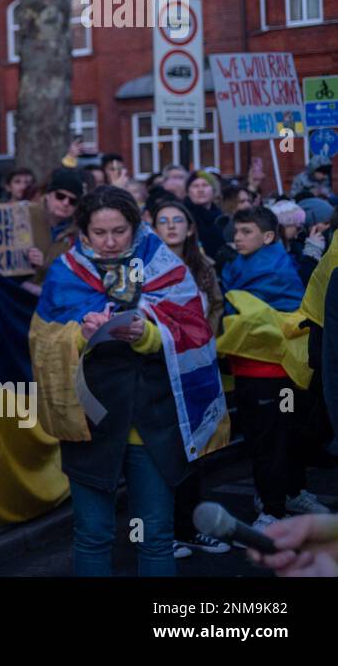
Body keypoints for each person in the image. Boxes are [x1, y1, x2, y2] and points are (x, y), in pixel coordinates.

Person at [29, 187, 226, 576]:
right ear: (82, 234)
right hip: (91, 423)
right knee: (91, 533)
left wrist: (148, 335)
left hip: (152, 421)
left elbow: (196, 332)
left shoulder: (166, 266)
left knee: (154, 535)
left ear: (136, 228)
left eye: (119, 231)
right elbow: (41, 340)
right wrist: (79, 337)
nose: (109, 242)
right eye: (98, 233)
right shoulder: (64, 273)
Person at [220, 206, 325, 529]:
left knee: (275, 439)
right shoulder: (242, 266)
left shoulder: (276, 270)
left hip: (276, 374)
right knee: (274, 437)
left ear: (268, 237)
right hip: (252, 371)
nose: (237, 238)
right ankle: (286, 493)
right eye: (236, 232)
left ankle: (274, 507)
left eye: (246, 232)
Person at [152, 199, 231, 558]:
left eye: (177, 220)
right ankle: (161, 531)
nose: (170, 227)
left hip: (197, 368)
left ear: (190, 227)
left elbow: (215, 306)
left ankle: (191, 527)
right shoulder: (144, 268)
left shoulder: (204, 267)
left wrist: (205, 341)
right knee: (161, 453)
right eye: (163, 221)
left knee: (194, 450)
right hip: (161, 371)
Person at [27, 167, 86, 287]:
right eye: (60, 196)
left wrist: (45, 267)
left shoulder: (81, 233)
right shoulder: (26, 215)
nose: (65, 203)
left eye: (72, 201)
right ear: (48, 195)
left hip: (55, 297)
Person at [184, 169, 227, 264]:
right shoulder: (184, 215)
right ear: (188, 191)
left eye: (205, 185)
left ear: (214, 190)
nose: (200, 190)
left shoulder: (220, 216)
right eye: (195, 186)